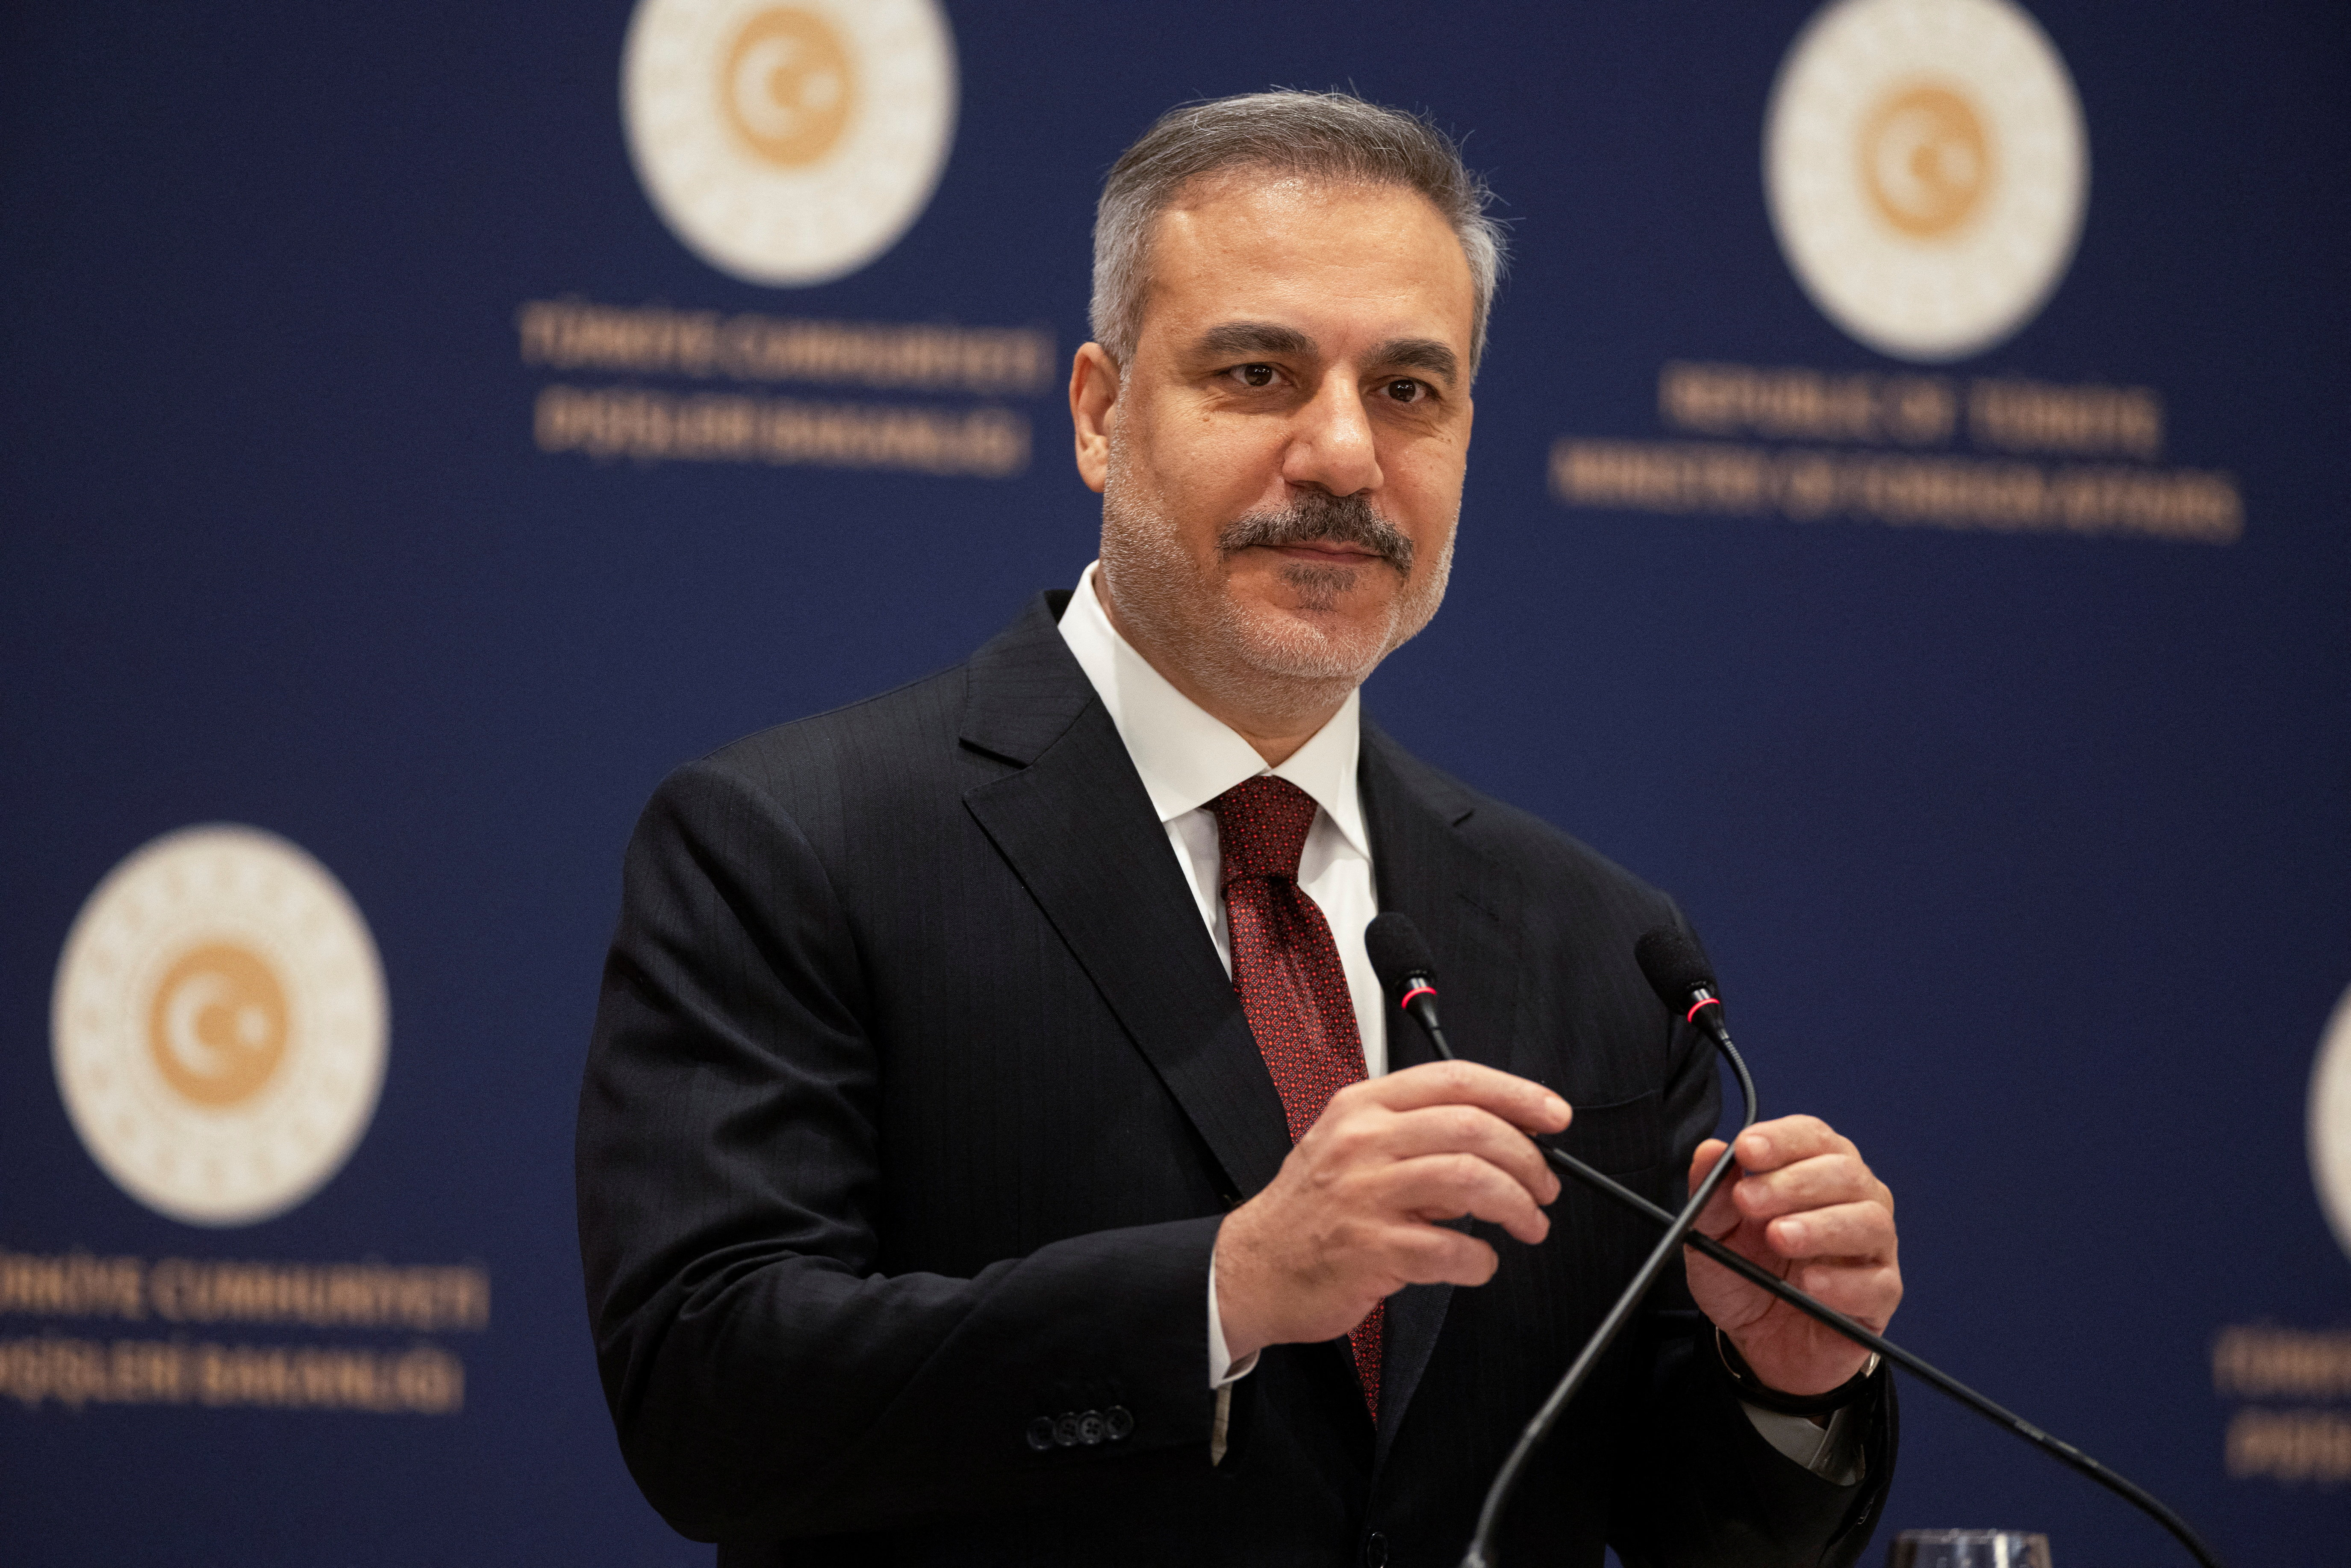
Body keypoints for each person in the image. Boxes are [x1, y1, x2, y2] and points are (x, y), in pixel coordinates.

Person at [577, 90, 1904, 1568]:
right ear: (1097, 411)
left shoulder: (1597, 941)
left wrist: (1786, 1379)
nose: (1343, 454)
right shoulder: (797, 844)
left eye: (1409, 390)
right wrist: (1221, 1289)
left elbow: (1687, 1524)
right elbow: (707, 1397)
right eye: (1260, 372)